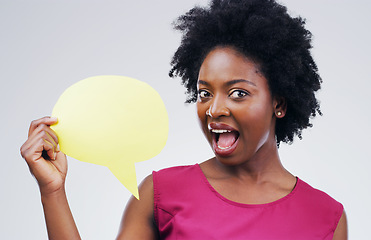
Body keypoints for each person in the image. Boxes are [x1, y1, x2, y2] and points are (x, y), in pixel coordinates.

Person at [20, 0, 347, 239]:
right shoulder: (160, 192)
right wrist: (53, 192)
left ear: (279, 103)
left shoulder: (327, 218)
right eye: (204, 93)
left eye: (237, 93)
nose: (214, 109)